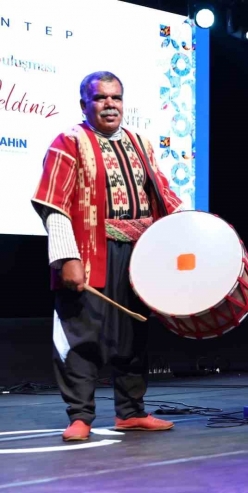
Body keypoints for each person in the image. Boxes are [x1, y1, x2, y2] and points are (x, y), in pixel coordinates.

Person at [31, 71, 183, 441]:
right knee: (82, 334)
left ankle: (131, 412)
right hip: (90, 251)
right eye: (100, 98)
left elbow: (162, 195)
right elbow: (54, 204)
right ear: (84, 104)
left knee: (134, 332)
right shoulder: (69, 142)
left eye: (116, 97)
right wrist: (67, 257)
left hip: (138, 254)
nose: (110, 104)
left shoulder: (140, 142)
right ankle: (80, 415)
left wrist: (185, 235)